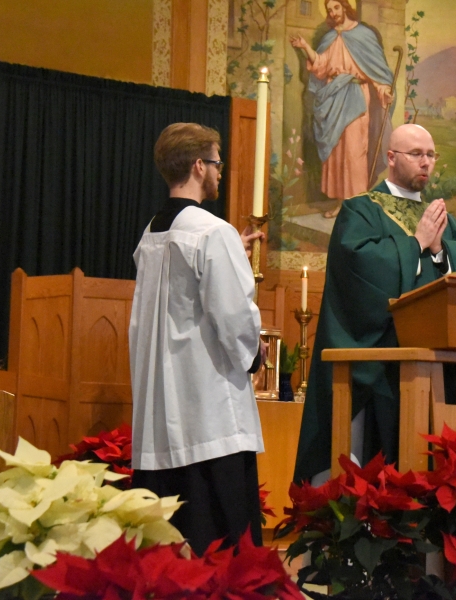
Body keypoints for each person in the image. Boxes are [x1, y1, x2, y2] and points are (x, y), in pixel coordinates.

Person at [294, 124, 456, 484]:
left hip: (435, 360)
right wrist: (415, 243)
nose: (426, 163)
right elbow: (359, 266)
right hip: (381, 356)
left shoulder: (441, 217)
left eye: (431, 155)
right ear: (391, 158)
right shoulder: (361, 209)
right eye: (417, 154)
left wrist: (439, 249)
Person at [129, 123, 266, 556]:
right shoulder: (211, 231)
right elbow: (233, 316)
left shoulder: (152, 232)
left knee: (168, 551)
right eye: (216, 162)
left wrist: (230, 248)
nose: (220, 172)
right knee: (222, 549)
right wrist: (255, 356)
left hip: (163, 411)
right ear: (197, 166)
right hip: (210, 414)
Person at [290, 0, 394, 218]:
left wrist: (383, 90)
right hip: (333, 96)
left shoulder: (363, 35)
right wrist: (304, 47)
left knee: (355, 152)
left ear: (345, 7)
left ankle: (356, 205)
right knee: (337, 154)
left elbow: (376, 71)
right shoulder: (330, 37)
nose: (333, 12)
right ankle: (341, 203)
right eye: (329, 10)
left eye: (336, 7)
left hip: (355, 96)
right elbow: (320, 66)